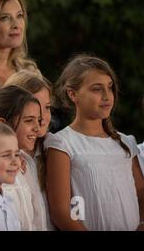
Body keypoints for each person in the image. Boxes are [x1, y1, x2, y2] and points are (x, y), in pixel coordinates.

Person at [45, 55, 144, 231]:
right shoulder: (62, 144)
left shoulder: (126, 143)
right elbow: (61, 212)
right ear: (73, 94)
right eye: (97, 89)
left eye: (110, 88)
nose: (107, 96)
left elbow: (141, 194)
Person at [0, 85, 44, 230]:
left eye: (38, 120)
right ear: (2, 124)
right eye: (29, 120)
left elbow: (37, 219)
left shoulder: (26, 164)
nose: (37, 128)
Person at [4, 69, 54, 230]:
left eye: (47, 108)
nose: (43, 117)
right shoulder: (5, 159)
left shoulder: (55, 148)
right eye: (36, 109)